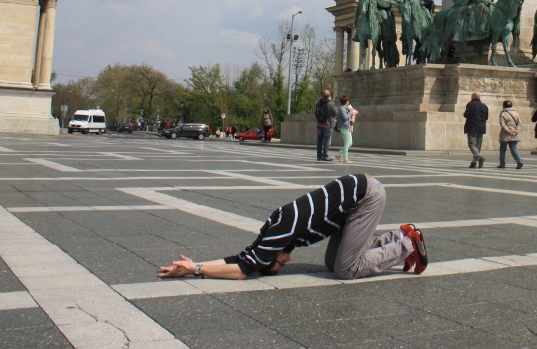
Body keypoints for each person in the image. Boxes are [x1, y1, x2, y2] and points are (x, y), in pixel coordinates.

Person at [157, 174, 428, 280]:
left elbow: (242, 268)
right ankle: (400, 235)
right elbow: (245, 256)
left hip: (364, 196)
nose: (287, 260)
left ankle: (408, 245)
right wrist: (197, 266)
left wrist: (195, 268)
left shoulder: (280, 233)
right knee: (334, 262)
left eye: (280, 264)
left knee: (346, 269)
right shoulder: (274, 238)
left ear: (271, 256)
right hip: (351, 202)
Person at [463, 92, 488, 168]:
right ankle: (474, 162)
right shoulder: (484, 106)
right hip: (481, 127)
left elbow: (466, 114)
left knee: (471, 144)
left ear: (473, 97)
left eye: (471, 97)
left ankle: (479, 156)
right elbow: (486, 117)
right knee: (478, 146)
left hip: (472, 127)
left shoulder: (470, 104)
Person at [497, 100, 524, 169]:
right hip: (514, 134)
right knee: (514, 148)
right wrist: (516, 131)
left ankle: (502, 163)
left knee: (503, 149)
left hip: (505, 134)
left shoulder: (503, 113)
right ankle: (519, 161)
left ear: (503, 106)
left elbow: (502, 124)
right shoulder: (516, 113)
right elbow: (519, 124)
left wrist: (508, 131)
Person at [314, 90, 338, 162]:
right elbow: (336, 113)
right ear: (329, 96)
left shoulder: (318, 103)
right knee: (327, 140)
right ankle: (325, 155)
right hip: (328, 124)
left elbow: (316, 112)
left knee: (319, 140)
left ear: (322, 96)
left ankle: (319, 156)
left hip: (319, 123)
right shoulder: (330, 104)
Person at [335, 95, 356, 164]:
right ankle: (345, 159)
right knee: (347, 143)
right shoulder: (342, 108)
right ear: (346, 102)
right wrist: (351, 112)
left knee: (350, 143)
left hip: (347, 127)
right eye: (348, 101)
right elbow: (345, 117)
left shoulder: (345, 108)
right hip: (343, 127)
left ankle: (339, 155)